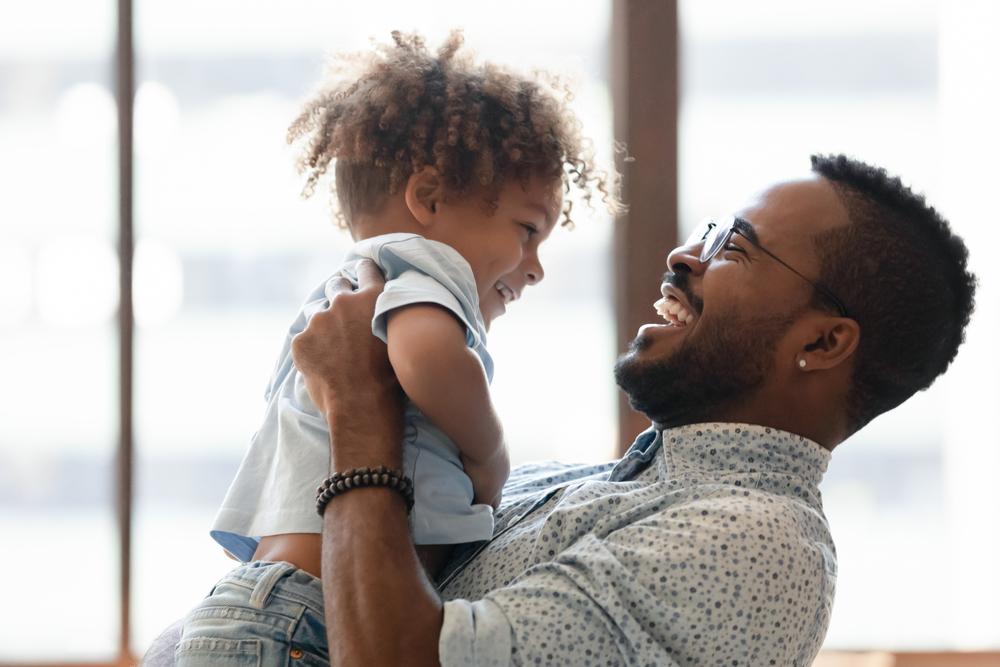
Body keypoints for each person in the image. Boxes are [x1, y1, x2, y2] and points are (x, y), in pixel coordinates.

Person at [284, 154, 976, 665]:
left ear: (824, 341)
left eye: (733, 246)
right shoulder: (577, 484)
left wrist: (359, 408)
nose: (683, 255)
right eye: (707, 232)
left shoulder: (755, 544)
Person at [168, 31, 616, 667]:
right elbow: (426, 359)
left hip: (265, 606)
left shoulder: (355, 289)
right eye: (527, 230)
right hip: (304, 617)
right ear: (428, 199)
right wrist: (489, 453)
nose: (536, 267)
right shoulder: (420, 273)